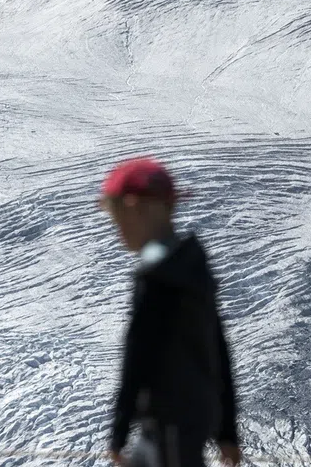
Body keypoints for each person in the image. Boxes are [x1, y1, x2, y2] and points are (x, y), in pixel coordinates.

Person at [98, 157, 242, 467]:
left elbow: (136, 355)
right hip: (183, 418)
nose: (117, 230)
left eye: (118, 217)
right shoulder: (191, 265)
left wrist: (119, 433)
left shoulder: (157, 277)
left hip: (171, 420)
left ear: (137, 208)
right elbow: (218, 348)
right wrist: (227, 431)